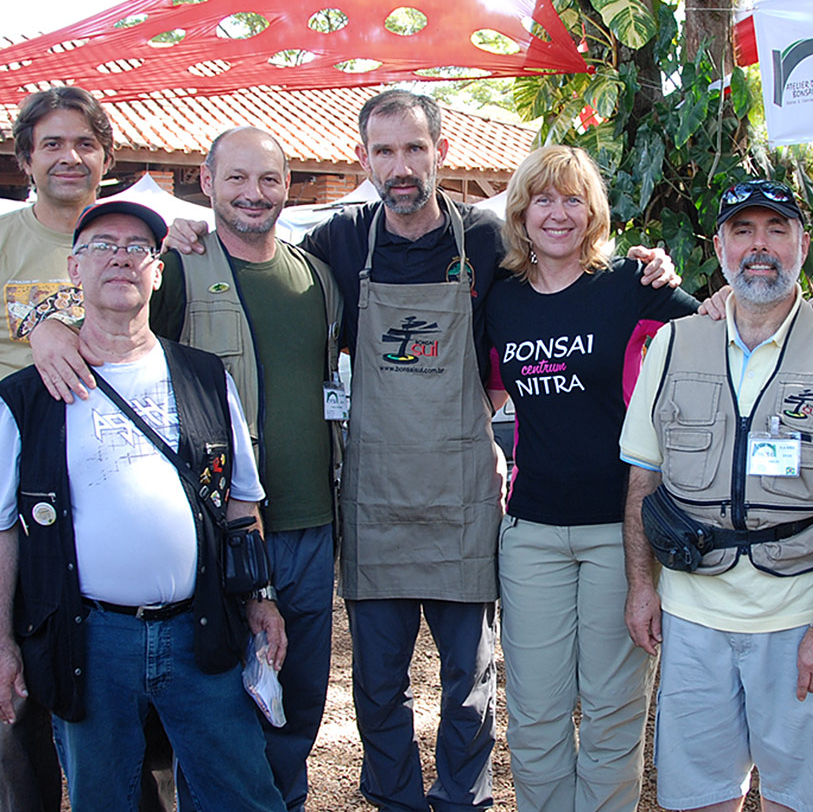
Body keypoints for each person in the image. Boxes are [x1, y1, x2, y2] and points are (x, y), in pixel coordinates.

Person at [162, 89, 678, 812]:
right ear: (363, 158)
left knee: (469, 686)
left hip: (464, 496)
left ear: (440, 152)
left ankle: (461, 800)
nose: (400, 167)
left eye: (413, 148)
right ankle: (398, 800)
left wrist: (647, 268)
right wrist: (188, 238)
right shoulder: (337, 243)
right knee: (377, 686)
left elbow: (565, 274)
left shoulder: (487, 241)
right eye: (384, 151)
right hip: (375, 500)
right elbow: (258, 260)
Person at [31, 127, 343, 812]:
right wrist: (43, 323)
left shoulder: (315, 275)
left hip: (303, 526)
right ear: (206, 182)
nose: (253, 194)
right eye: (236, 178)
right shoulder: (176, 266)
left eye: (267, 179)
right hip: (189, 563)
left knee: (293, 704)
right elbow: (115, 317)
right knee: (167, 739)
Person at [0, 201, 287, 812]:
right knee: (103, 797)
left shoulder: (207, 378)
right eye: (103, 245)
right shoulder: (25, 398)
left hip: (201, 629)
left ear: (157, 272)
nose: (122, 257)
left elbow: (241, 502)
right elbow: (4, 530)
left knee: (243, 795)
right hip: (88, 640)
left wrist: (261, 599)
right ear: (73, 270)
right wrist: (1, 640)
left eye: (138, 248)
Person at [620, 178, 813, 812]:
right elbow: (641, 478)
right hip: (691, 618)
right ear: (718, 247)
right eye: (743, 231)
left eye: (776, 230)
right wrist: (641, 586)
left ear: (803, 244)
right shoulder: (674, 343)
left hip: (795, 619)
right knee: (698, 797)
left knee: (805, 799)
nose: (758, 246)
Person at [483, 145, 699, 811]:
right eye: (543, 199)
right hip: (532, 531)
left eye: (573, 199)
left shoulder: (630, 288)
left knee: (612, 711)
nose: (558, 213)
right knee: (537, 712)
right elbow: (482, 396)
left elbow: (728, 335)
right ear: (520, 213)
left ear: (594, 213)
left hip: (620, 530)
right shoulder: (500, 303)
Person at [0, 86, 175, 812]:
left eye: (84, 144)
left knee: (129, 693)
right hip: (21, 497)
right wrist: (41, 325)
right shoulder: (6, 240)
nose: (69, 157)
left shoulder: (152, 244)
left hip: (116, 494)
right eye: (51, 144)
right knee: (19, 699)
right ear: (25, 159)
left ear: (105, 157)